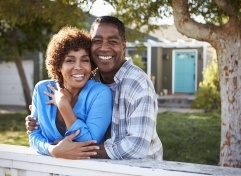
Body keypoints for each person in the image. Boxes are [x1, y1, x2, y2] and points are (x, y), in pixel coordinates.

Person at [26, 16, 163, 160]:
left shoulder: (137, 84)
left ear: (124, 45)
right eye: (97, 41)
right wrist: (52, 149)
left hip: (142, 168)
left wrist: (72, 149)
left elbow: (136, 147)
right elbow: (35, 134)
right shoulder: (94, 78)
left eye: (112, 41)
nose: (104, 48)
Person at [28, 26, 112, 157]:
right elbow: (33, 135)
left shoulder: (100, 93)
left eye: (85, 60)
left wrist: (63, 105)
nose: (78, 67)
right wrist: (52, 150)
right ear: (58, 65)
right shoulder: (42, 90)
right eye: (70, 60)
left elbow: (90, 143)